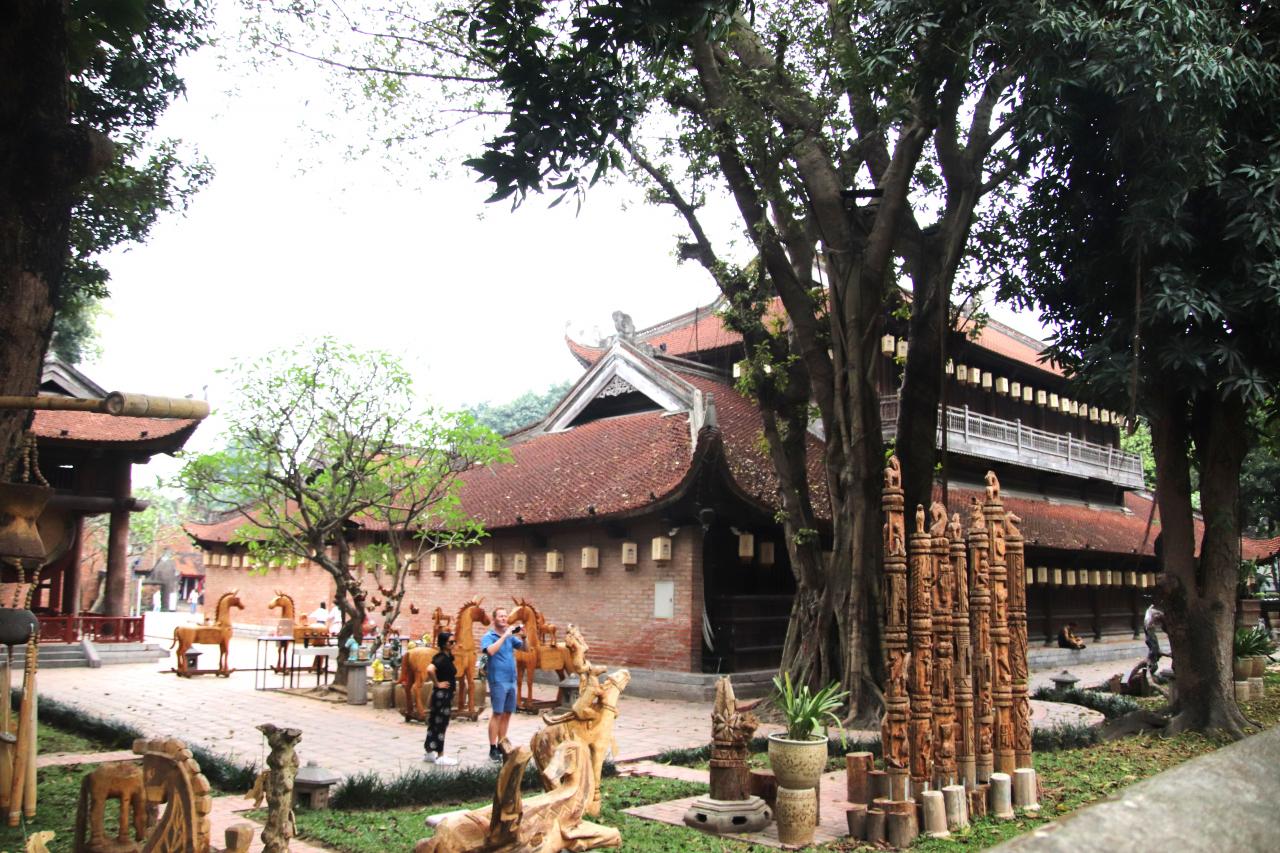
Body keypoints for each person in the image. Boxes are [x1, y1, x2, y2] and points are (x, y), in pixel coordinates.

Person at [481, 607, 525, 762]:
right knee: (497, 713)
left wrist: (524, 637)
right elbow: (490, 651)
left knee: (507, 713)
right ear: (494, 619)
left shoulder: (511, 637)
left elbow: (525, 648)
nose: (504, 618)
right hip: (498, 680)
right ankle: (492, 747)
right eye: (500, 616)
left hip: (511, 679)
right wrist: (505, 635)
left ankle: (502, 744)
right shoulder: (489, 636)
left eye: (505, 616)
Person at [423, 631, 459, 765]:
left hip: (443, 695)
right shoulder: (441, 658)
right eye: (451, 642)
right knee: (441, 723)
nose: (453, 644)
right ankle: (440, 755)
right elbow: (430, 669)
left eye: (454, 641)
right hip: (442, 696)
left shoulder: (447, 657)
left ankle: (429, 751)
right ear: (443, 644)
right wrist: (437, 683)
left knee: (434, 722)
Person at [1143, 601, 1166, 674]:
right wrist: (1151, 623)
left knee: (1154, 645)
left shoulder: (1152, 613)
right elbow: (1155, 617)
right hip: (1149, 626)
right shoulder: (1155, 614)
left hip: (1149, 626)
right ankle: (1151, 662)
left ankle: (1152, 660)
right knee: (1153, 646)